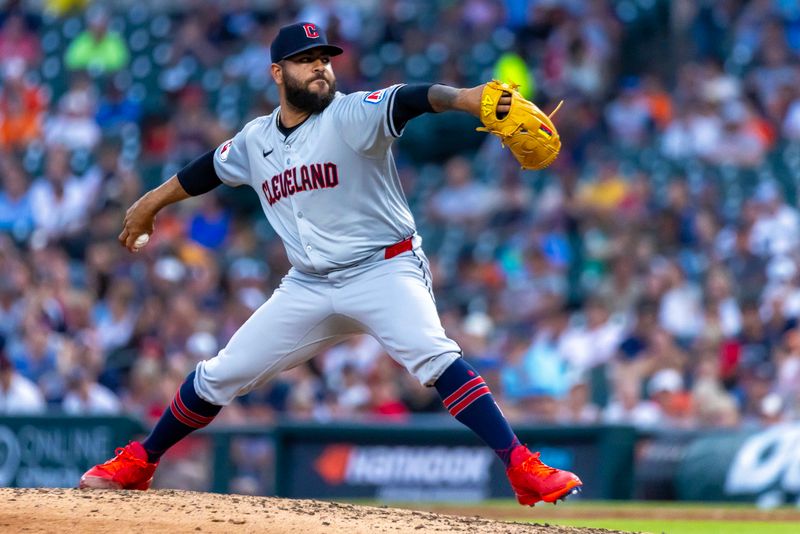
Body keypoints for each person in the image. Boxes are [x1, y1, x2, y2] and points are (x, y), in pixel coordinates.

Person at [79, 22, 582, 505]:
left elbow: (408, 98)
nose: (320, 68)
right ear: (277, 72)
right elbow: (209, 168)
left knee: (434, 355)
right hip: (308, 287)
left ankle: (520, 466)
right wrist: (151, 202)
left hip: (384, 270)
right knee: (218, 375)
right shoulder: (257, 139)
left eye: (324, 59)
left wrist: (466, 98)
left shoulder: (350, 115)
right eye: (305, 61)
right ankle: (141, 461)